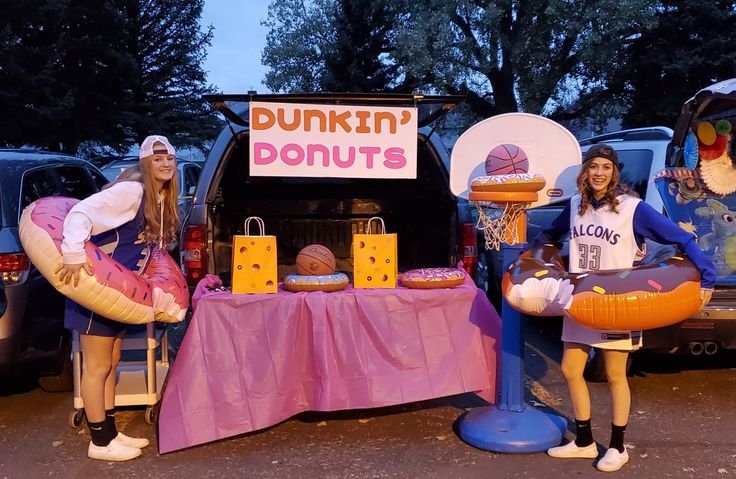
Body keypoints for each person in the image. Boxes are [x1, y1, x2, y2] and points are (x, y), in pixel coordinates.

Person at [538, 143, 715, 472]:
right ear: (585, 171)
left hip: (616, 302)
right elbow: (550, 233)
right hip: (580, 299)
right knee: (570, 370)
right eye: (593, 166)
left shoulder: (633, 208)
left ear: (614, 172)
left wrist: (707, 275)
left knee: (616, 375)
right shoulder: (576, 204)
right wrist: (532, 254)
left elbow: (681, 238)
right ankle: (584, 442)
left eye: (605, 167)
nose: (599, 173)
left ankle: (618, 447)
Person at [56, 135, 180, 461]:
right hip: (96, 290)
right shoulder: (132, 190)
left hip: (119, 292)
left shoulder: (159, 195)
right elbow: (81, 213)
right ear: (145, 162)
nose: (166, 163)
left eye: (170, 158)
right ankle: (98, 442)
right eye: (158, 158)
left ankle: (110, 433)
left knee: (111, 363)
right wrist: (71, 253)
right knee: (96, 367)